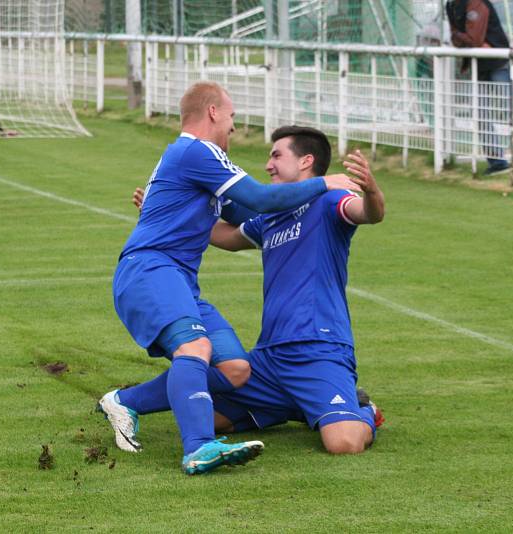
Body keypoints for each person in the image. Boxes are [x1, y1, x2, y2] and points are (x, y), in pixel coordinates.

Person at [98, 82, 360, 475]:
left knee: (236, 368)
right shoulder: (196, 151)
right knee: (195, 347)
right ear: (214, 113)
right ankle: (199, 448)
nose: (234, 127)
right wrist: (325, 181)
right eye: (233, 116)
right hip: (153, 268)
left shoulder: (200, 163)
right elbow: (262, 199)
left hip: (180, 278)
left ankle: (126, 400)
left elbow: (247, 216)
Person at [131, 126, 386, 454]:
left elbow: (368, 213)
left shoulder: (330, 199)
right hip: (270, 358)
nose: (268, 165)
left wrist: (373, 191)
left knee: (343, 444)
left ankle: (363, 409)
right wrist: (167, 214)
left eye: (277, 155)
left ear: (306, 161)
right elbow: (224, 237)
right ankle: (293, 406)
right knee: (203, 418)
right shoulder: (274, 215)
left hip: (319, 348)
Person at [446, 0, 513, 175]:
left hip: (498, 62)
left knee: (512, 112)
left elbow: (473, 39)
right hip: (479, 64)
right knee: (480, 113)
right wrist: (463, 38)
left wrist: (462, 38)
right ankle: (498, 163)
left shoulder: (476, 3)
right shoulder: (451, 5)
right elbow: (459, 38)